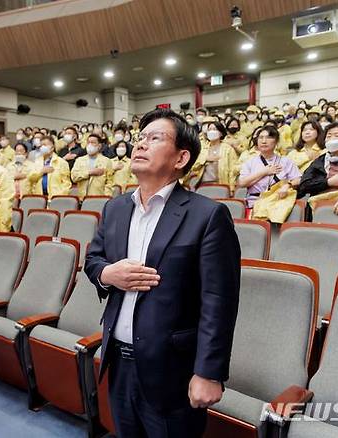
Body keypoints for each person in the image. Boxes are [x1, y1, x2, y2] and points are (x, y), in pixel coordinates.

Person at [84, 108, 240, 438]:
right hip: (119, 361)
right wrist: (108, 274)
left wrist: (208, 372)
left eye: (155, 138)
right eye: (140, 137)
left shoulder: (208, 215)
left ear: (181, 157)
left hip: (173, 369)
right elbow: (93, 260)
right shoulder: (115, 208)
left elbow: (219, 300)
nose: (140, 144)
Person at [238, 126, 301, 209]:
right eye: (261, 137)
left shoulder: (286, 161)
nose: (264, 141)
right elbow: (242, 183)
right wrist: (264, 172)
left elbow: (298, 179)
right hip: (254, 203)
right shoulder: (250, 162)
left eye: (269, 137)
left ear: (276, 141)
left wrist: (288, 185)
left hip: (279, 203)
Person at [298, 121, 338, 199]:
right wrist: (328, 182)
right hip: (321, 203)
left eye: (337, 136)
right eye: (329, 136)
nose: (332, 139)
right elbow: (304, 185)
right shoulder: (320, 162)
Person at [186, 121, 238, 193]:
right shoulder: (202, 148)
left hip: (221, 185)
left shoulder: (228, 149)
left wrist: (231, 188)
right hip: (202, 184)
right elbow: (193, 166)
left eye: (214, 129)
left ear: (221, 133)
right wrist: (205, 159)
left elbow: (233, 171)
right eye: (209, 129)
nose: (211, 132)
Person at [71, 134, 114, 199]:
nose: (90, 145)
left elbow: (110, 182)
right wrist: (89, 172)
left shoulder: (107, 161)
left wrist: (106, 197)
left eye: (93, 142)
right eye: (88, 142)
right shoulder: (79, 160)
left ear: (99, 146)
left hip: (99, 198)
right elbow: (74, 177)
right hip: (82, 198)